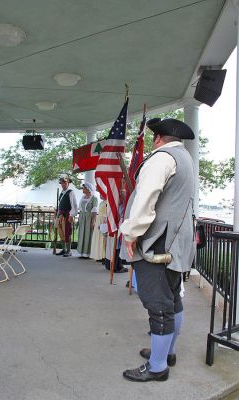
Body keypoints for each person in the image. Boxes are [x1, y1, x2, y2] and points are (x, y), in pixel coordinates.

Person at [120, 118, 196, 382]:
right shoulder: (185, 158)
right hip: (176, 243)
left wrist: (131, 234)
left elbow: (145, 199)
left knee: (159, 306)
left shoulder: (162, 158)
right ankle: (167, 354)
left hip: (157, 244)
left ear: (159, 138)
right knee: (172, 300)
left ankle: (157, 366)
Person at [56, 174, 78, 257]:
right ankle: (64, 249)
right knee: (61, 232)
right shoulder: (62, 192)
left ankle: (69, 251)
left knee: (68, 232)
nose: (63, 184)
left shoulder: (71, 192)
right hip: (61, 215)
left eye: (65, 183)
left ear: (68, 183)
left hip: (68, 214)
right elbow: (60, 205)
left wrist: (71, 215)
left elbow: (74, 205)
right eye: (62, 183)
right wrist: (58, 214)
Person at [77, 182, 98, 259]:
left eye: (84, 188)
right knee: (82, 234)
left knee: (88, 235)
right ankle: (82, 252)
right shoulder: (83, 197)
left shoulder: (93, 198)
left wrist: (93, 221)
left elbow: (95, 210)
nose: (83, 189)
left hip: (89, 218)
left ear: (88, 189)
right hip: (82, 217)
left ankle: (88, 253)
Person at [90, 194, 107, 262]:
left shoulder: (107, 203)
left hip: (103, 220)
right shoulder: (101, 203)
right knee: (98, 238)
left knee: (102, 239)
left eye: (101, 193)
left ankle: (103, 255)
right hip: (99, 220)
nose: (100, 195)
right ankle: (99, 255)